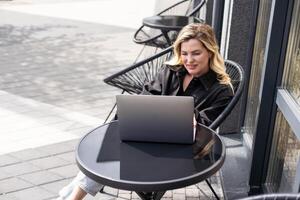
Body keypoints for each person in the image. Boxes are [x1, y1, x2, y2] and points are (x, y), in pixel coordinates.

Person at [57, 23, 234, 200]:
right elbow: (145, 97)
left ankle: (70, 196)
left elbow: (204, 130)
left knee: (109, 156)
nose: (188, 60)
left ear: (210, 52)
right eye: (184, 53)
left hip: (183, 153)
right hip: (150, 137)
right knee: (111, 145)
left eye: (196, 53)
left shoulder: (221, 90)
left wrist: (182, 114)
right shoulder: (171, 70)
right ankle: (71, 197)